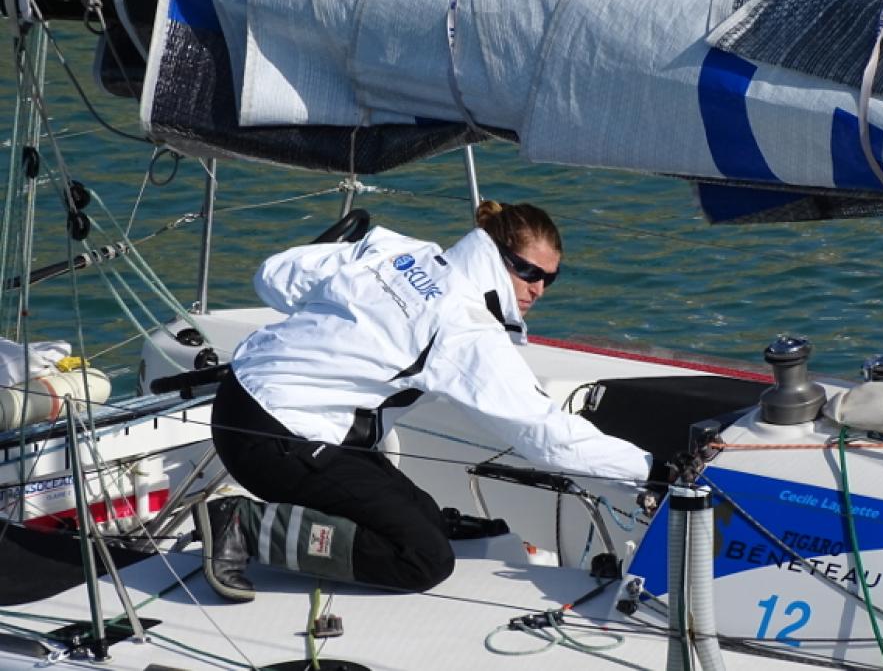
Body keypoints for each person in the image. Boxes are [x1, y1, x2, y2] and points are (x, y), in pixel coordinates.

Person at [197, 200, 652, 601]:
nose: (537, 289)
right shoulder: (465, 328)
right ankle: (244, 526)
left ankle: (411, 520)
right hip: (273, 439)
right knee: (424, 559)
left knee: (429, 523)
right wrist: (648, 470)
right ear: (494, 253)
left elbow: (275, 276)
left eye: (550, 279)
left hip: (243, 396)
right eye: (527, 271)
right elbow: (545, 436)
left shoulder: (400, 251)